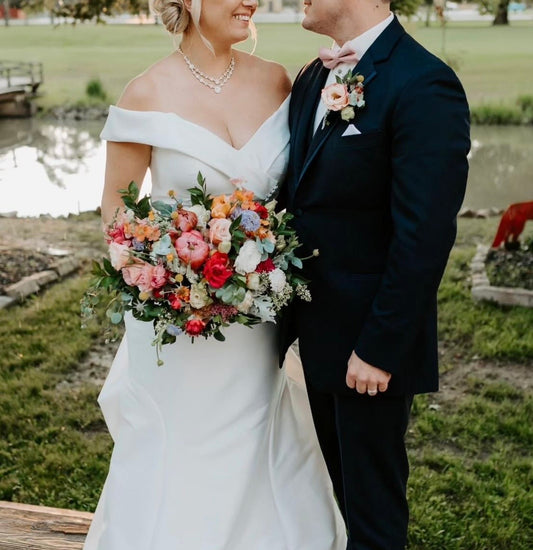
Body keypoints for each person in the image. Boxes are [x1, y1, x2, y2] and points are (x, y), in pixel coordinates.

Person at [83, 0, 347, 549]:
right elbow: (117, 206)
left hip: (256, 321)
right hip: (179, 325)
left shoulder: (278, 80)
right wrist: (155, 271)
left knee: (256, 439)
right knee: (181, 450)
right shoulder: (146, 92)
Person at [279, 1, 470, 549]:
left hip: (369, 350)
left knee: (372, 517)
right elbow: (298, 198)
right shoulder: (313, 76)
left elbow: (423, 237)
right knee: (328, 499)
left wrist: (381, 349)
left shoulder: (424, 83)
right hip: (310, 340)